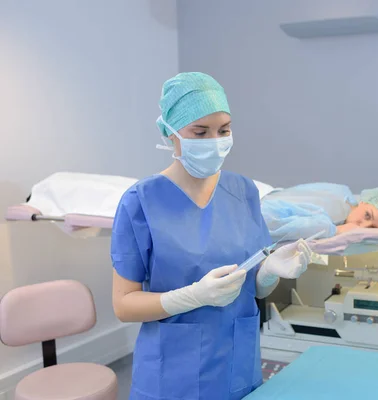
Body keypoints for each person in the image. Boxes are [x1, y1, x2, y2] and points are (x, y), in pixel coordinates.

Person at [110, 72, 312, 400]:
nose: (214, 141)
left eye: (224, 130)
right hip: (173, 374)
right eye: (200, 132)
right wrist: (194, 296)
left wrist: (271, 273)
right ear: (171, 133)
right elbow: (123, 304)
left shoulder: (243, 191)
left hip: (237, 363)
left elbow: (253, 286)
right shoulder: (141, 202)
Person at [261, 183, 378, 242]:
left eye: (372, 228)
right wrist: (336, 230)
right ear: (364, 201)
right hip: (249, 210)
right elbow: (267, 221)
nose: (362, 225)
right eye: (367, 215)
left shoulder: (343, 191)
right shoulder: (333, 215)